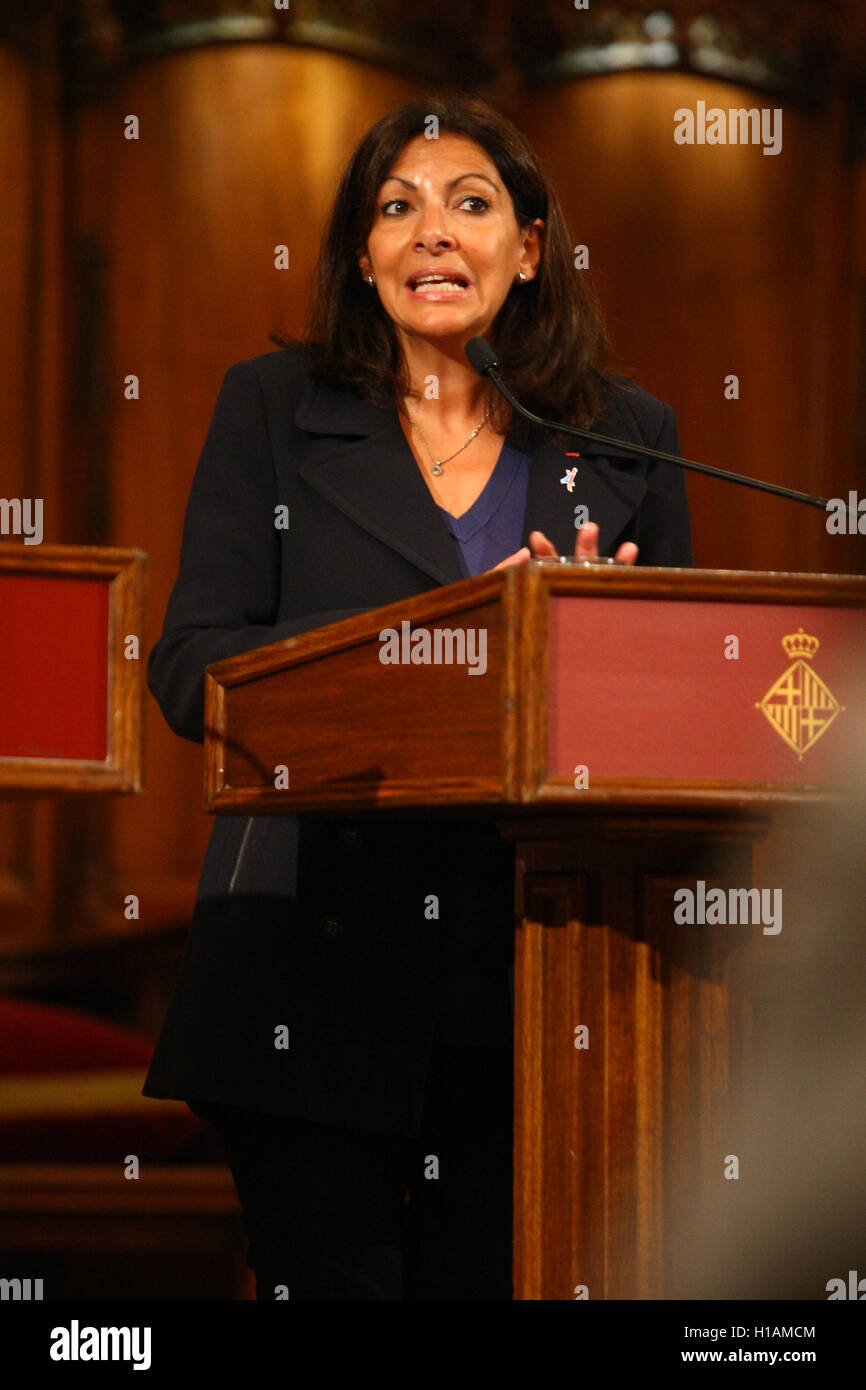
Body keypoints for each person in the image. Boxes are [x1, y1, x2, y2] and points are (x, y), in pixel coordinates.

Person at [142, 93, 693, 1300]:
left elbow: (677, 730)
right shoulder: (275, 411)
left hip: (537, 987)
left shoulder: (624, 439)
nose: (431, 233)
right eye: (396, 208)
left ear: (530, 250)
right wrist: (450, 640)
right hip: (305, 977)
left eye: (470, 204)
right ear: (360, 253)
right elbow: (192, 669)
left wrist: (608, 657)